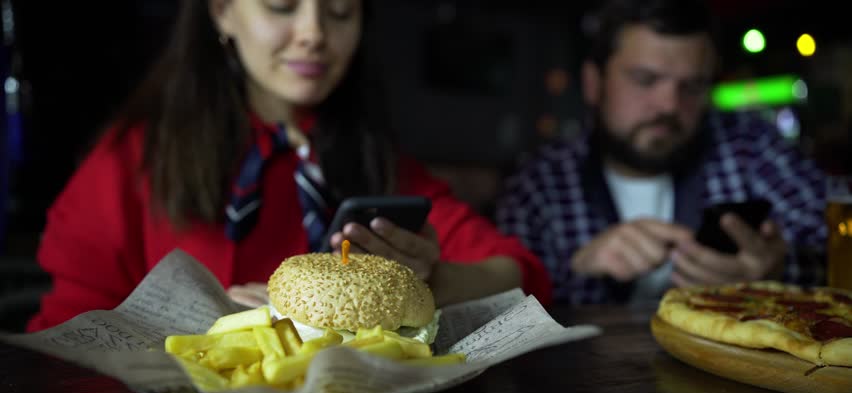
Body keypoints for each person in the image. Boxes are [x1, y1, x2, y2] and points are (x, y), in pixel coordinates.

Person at [28, 0, 551, 332]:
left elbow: (517, 272)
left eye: (341, 12)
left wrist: (424, 279)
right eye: (282, 6)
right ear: (221, 12)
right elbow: (70, 331)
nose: (314, 32)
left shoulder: (374, 160)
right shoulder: (134, 158)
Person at [495, 0, 826, 305]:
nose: (669, 105)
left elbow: (833, 240)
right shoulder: (538, 184)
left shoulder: (750, 148)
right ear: (594, 83)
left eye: (693, 86)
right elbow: (501, 313)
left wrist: (778, 273)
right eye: (645, 79)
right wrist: (577, 274)